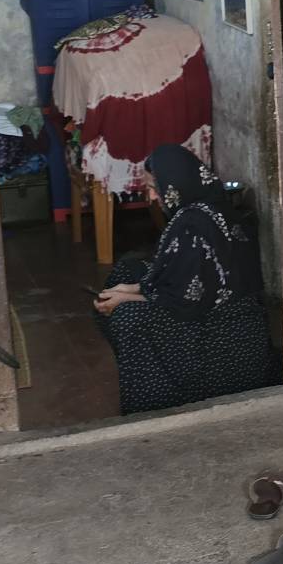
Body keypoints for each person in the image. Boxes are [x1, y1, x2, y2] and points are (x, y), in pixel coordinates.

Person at [94, 144, 273, 415]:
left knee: (126, 317)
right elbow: (182, 275)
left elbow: (183, 301)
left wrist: (125, 298)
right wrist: (129, 288)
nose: (152, 197)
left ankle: (157, 399)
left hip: (224, 337)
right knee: (126, 271)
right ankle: (146, 369)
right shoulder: (209, 205)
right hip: (214, 310)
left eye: (155, 188)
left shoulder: (192, 225)